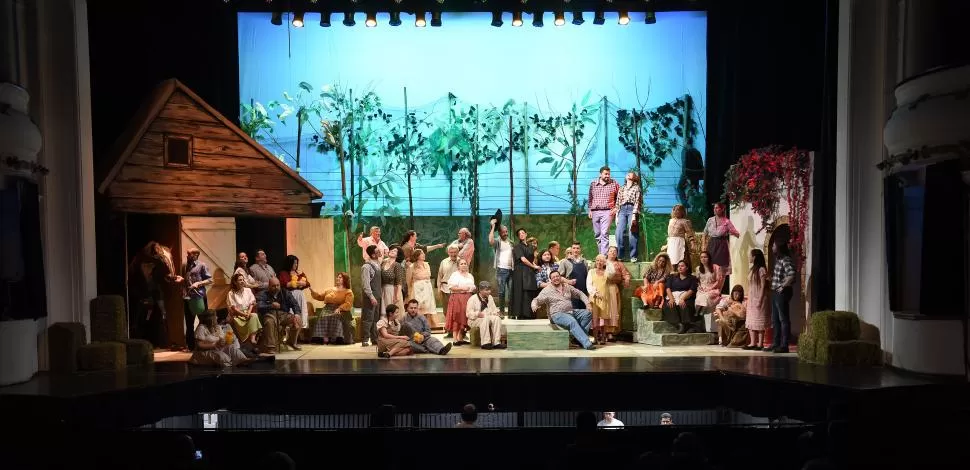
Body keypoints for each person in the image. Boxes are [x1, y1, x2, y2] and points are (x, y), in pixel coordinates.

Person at [531, 270, 596, 350]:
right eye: (553, 277)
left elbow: (580, 294)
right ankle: (587, 344)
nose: (556, 278)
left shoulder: (567, 286)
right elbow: (536, 300)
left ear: (560, 277)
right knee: (572, 321)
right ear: (551, 280)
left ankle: (576, 339)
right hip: (557, 314)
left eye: (557, 276)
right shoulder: (547, 290)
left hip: (570, 312)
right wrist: (534, 305)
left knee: (587, 313)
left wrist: (587, 303)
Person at [189, 311, 254, 368]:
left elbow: (222, 341)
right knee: (222, 357)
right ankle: (231, 363)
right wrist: (214, 345)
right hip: (204, 352)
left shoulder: (217, 327)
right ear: (210, 319)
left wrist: (227, 341)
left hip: (218, 349)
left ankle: (243, 360)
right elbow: (199, 345)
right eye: (215, 316)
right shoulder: (202, 328)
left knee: (232, 347)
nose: (217, 317)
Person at [256, 277, 303, 353]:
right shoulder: (263, 294)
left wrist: (297, 314)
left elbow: (295, 304)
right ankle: (271, 347)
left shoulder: (285, 292)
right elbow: (259, 306)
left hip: (284, 315)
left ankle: (292, 342)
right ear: (269, 286)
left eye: (278, 285)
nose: (276, 287)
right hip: (270, 314)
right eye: (273, 286)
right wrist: (271, 305)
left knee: (298, 319)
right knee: (269, 322)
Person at [309, 272, 355, 344]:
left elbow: (348, 303)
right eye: (337, 277)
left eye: (340, 277)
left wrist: (340, 308)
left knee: (336, 317)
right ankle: (322, 338)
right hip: (327, 308)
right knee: (323, 317)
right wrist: (313, 292)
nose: (338, 278)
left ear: (345, 280)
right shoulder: (329, 289)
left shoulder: (348, 291)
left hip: (341, 309)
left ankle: (337, 338)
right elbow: (320, 296)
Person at [180, 247, 212, 351]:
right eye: (187, 254)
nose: (187, 256)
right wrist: (180, 279)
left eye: (189, 254)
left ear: (196, 255)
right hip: (188, 297)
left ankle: (206, 344)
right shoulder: (185, 265)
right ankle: (191, 346)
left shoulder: (202, 265)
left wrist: (198, 283)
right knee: (189, 323)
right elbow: (184, 279)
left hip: (199, 296)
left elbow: (210, 279)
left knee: (204, 320)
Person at [770, 240, 796, 353]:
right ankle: (776, 343)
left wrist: (782, 286)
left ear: (779, 247)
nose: (772, 247)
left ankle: (784, 345)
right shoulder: (778, 259)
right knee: (775, 319)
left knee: (783, 319)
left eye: (774, 245)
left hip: (782, 292)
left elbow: (792, 274)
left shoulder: (785, 259)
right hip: (776, 292)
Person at [588, 166, 620, 255]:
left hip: (608, 211)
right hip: (595, 211)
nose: (607, 176)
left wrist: (616, 207)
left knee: (604, 233)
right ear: (600, 174)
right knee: (597, 234)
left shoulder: (614, 183)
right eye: (606, 174)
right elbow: (590, 197)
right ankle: (601, 254)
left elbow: (620, 196)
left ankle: (604, 256)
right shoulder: (593, 183)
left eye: (609, 174)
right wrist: (590, 210)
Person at [465, 281, 506, 350]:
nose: (489, 292)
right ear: (480, 290)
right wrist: (477, 314)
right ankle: (485, 343)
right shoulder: (473, 299)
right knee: (485, 319)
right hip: (474, 320)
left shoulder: (490, 297)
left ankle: (496, 342)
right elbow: (468, 313)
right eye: (486, 290)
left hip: (486, 317)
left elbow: (493, 309)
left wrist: (497, 313)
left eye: (489, 290)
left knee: (496, 319)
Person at [226, 272, 262, 349]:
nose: (242, 281)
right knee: (236, 320)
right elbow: (233, 308)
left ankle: (252, 340)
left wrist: (248, 312)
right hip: (237, 315)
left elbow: (252, 303)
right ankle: (245, 341)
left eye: (243, 280)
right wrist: (243, 314)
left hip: (247, 312)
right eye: (240, 280)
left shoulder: (248, 290)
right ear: (235, 282)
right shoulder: (231, 293)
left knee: (254, 316)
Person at [510, 228, 539, 319]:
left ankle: (529, 313)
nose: (521, 235)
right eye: (519, 234)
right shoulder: (517, 246)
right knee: (520, 292)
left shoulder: (530, 247)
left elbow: (531, 260)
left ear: (526, 234)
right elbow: (523, 259)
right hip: (520, 270)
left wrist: (536, 266)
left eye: (523, 233)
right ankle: (520, 314)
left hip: (529, 270)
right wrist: (533, 266)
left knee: (529, 291)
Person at [744, 249, 770, 351]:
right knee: (751, 319)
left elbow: (763, 286)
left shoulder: (761, 269)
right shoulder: (752, 269)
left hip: (759, 296)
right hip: (752, 297)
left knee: (759, 320)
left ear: (754, 257)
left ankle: (760, 343)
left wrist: (760, 299)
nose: (749, 257)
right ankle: (752, 342)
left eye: (750, 256)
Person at [703, 202, 740, 274]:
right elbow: (705, 233)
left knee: (720, 267)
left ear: (722, 209)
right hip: (712, 243)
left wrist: (730, 232)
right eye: (714, 208)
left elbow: (737, 234)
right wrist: (704, 245)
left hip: (722, 245)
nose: (715, 209)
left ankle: (720, 283)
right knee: (710, 265)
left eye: (717, 208)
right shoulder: (710, 220)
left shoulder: (726, 221)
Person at [664, 260, 699, 334]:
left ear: (687, 268)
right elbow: (668, 288)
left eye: (682, 266)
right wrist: (671, 299)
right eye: (679, 266)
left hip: (686, 296)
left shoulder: (692, 278)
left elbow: (692, 290)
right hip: (673, 296)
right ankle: (679, 325)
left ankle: (686, 324)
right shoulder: (672, 277)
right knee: (669, 305)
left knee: (684, 305)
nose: (680, 268)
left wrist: (683, 298)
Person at [446, 258, 475, 345]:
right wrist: (462, 289)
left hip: (468, 298)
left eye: (465, 263)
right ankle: (455, 339)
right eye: (461, 264)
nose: (463, 265)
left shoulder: (470, 275)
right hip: (457, 298)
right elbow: (451, 287)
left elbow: (472, 286)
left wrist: (472, 289)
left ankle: (461, 338)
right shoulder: (455, 275)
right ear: (458, 266)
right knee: (457, 317)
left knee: (465, 317)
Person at [615, 171, 643, 262]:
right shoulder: (622, 188)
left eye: (631, 173)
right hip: (622, 210)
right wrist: (616, 215)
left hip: (632, 210)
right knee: (619, 232)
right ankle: (620, 255)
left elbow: (637, 202)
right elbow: (618, 202)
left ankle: (633, 255)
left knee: (632, 233)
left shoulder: (636, 188)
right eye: (627, 173)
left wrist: (634, 215)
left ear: (634, 177)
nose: (628, 174)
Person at [406, 248, 438, 327]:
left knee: (428, 308)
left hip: (427, 288)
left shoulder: (427, 264)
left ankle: (427, 326)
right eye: (422, 253)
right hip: (418, 289)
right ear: (417, 256)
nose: (424, 255)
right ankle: (418, 325)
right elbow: (408, 280)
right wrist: (409, 293)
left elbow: (428, 276)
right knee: (419, 307)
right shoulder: (412, 266)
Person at [603, 246, 630, 340]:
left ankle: (610, 332)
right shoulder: (603, 262)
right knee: (603, 309)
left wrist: (626, 279)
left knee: (613, 310)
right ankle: (602, 331)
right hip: (602, 288)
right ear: (607, 252)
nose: (613, 253)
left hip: (613, 288)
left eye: (615, 251)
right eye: (611, 251)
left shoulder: (619, 264)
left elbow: (626, 274)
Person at [488, 219, 514, 314]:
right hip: (501, 270)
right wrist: (493, 226)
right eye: (503, 232)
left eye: (506, 231)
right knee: (502, 292)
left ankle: (511, 312)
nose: (505, 233)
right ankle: (502, 311)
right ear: (499, 233)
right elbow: (490, 241)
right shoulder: (497, 242)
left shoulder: (511, 242)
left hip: (511, 270)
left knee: (511, 293)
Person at [360, 245, 383, 347]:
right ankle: (365, 339)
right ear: (373, 254)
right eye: (378, 251)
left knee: (375, 318)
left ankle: (374, 338)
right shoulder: (366, 267)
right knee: (367, 318)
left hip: (378, 295)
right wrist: (371, 296)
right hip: (370, 296)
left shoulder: (378, 264)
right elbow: (366, 284)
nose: (380, 252)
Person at [277, 254, 310, 328]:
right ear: (289, 263)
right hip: (290, 295)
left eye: (296, 263)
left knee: (302, 310)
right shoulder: (283, 273)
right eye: (294, 263)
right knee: (292, 311)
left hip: (300, 295)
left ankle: (302, 327)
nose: (296, 265)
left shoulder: (299, 273)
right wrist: (297, 283)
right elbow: (284, 284)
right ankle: (292, 327)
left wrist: (304, 283)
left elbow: (308, 283)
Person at [586, 255, 611, 345]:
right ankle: (595, 338)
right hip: (594, 298)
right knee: (594, 319)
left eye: (601, 261)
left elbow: (613, 273)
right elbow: (588, 285)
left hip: (604, 298)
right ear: (595, 262)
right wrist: (595, 293)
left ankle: (603, 338)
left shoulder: (607, 272)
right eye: (597, 260)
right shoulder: (591, 272)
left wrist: (607, 262)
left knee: (604, 319)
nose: (599, 263)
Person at [694, 251, 725, 323]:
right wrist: (700, 287)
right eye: (701, 257)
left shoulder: (715, 267)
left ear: (709, 258)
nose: (703, 259)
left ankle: (700, 313)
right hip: (702, 289)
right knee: (699, 297)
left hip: (713, 288)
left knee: (707, 296)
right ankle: (699, 313)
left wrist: (710, 288)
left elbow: (718, 281)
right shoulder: (698, 268)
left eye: (705, 257)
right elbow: (697, 280)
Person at [559, 241, 591, 310]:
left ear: (580, 249)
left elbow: (588, 277)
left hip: (583, 293)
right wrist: (568, 281)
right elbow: (558, 277)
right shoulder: (565, 261)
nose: (576, 250)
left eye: (577, 248)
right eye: (574, 248)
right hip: (571, 293)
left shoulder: (584, 261)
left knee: (583, 313)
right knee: (573, 313)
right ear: (571, 249)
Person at [436, 244, 461, 330]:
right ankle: (449, 330)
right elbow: (439, 275)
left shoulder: (461, 262)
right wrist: (439, 288)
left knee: (457, 311)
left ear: (458, 252)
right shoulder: (444, 262)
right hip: (445, 288)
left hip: (457, 290)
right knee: (446, 311)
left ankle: (458, 331)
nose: (453, 254)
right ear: (448, 253)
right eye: (451, 252)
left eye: (455, 252)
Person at [380, 245, 406, 314]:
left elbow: (399, 282)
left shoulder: (397, 265)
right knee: (383, 310)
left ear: (397, 255)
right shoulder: (383, 262)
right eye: (391, 250)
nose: (392, 251)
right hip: (383, 289)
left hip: (392, 290)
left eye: (395, 251)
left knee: (391, 311)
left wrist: (397, 295)